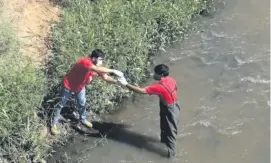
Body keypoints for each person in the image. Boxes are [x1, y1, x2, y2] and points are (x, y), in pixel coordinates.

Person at [51, 49, 123, 135]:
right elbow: (96, 68)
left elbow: (106, 78)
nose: (101, 62)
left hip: (80, 87)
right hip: (68, 85)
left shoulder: (97, 67)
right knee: (60, 104)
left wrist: (117, 82)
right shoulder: (85, 62)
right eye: (100, 59)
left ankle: (83, 119)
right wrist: (113, 71)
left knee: (82, 103)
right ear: (93, 58)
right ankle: (53, 124)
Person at [118, 64, 180, 158]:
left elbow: (141, 91)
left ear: (161, 75)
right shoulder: (172, 79)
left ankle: (171, 156)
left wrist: (126, 84)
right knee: (165, 128)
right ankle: (164, 143)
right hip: (173, 105)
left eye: (155, 73)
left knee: (171, 133)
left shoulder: (160, 86)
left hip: (169, 109)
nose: (153, 74)